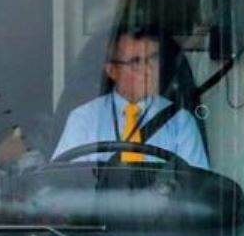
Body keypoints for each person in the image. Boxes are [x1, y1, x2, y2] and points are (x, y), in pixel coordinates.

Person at [53, 26, 209, 168]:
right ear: (112, 70)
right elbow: (62, 182)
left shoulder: (180, 121)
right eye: (136, 62)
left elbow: (195, 188)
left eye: (153, 58)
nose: (148, 70)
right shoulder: (84, 119)